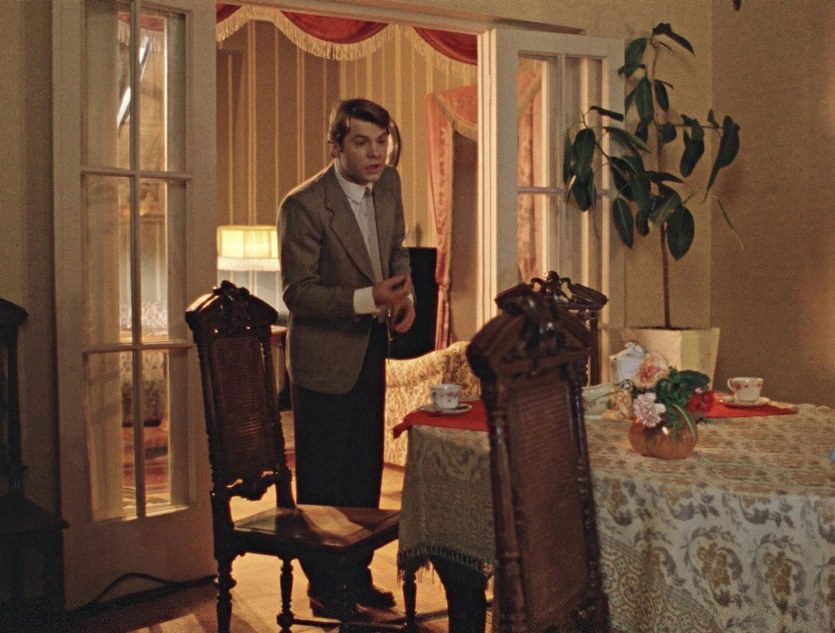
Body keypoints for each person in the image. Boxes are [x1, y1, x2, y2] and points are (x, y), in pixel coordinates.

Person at [278, 98, 415, 619]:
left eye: (381, 142)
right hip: (322, 359)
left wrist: (403, 298)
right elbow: (298, 294)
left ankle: (356, 575)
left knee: (363, 474)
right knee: (323, 482)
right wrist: (367, 299)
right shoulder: (304, 205)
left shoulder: (390, 183)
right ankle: (323, 587)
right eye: (361, 142)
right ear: (335, 145)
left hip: (369, 350)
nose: (376, 153)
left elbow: (396, 248)